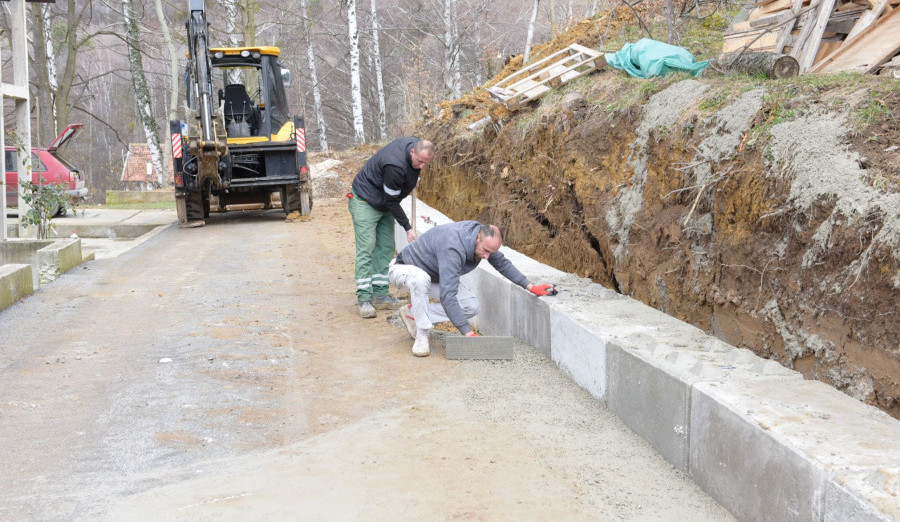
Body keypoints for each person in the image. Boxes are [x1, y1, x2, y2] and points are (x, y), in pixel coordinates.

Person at [389, 220, 556, 357]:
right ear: (478, 238)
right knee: (421, 279)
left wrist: (531, 286)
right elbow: (448, 296)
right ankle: (422, 334)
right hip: (404, 271)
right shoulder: (453, 247)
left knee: (471, 305)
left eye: (491, 252)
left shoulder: (482, 239)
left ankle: (414, 314)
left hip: (433, 276)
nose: (486, 257)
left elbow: (501, 263)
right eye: (485, 251)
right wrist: (467, 332)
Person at [349, 137, 434, 318]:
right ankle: (364, 298)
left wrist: (413, 178)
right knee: (367, 247)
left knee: (386, 248)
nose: (421, 167)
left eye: (426, 163)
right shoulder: (395, 166)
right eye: (419, 162)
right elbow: (392, 202)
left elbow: (394, 195)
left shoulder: (416, 147)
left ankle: (380, 294)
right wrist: (408, 228)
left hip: (384, 201)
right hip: (365, 199)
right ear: (412, 152)